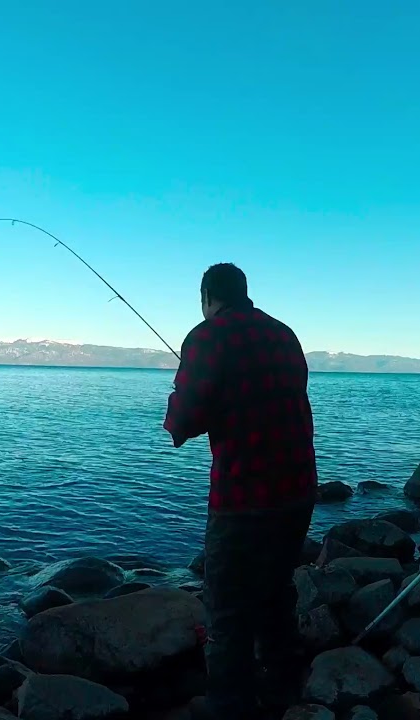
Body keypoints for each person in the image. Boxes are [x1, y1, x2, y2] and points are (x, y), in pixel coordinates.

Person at [163, 262, 318, 720]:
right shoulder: (284, 334)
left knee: (227, 611)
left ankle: (232, 707)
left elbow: (182, 422)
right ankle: (284, 690)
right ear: (244, 292)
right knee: (274, 591)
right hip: (298, 489)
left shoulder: (205, 337)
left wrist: (180, 395)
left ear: (207, 295)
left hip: (242, 497)